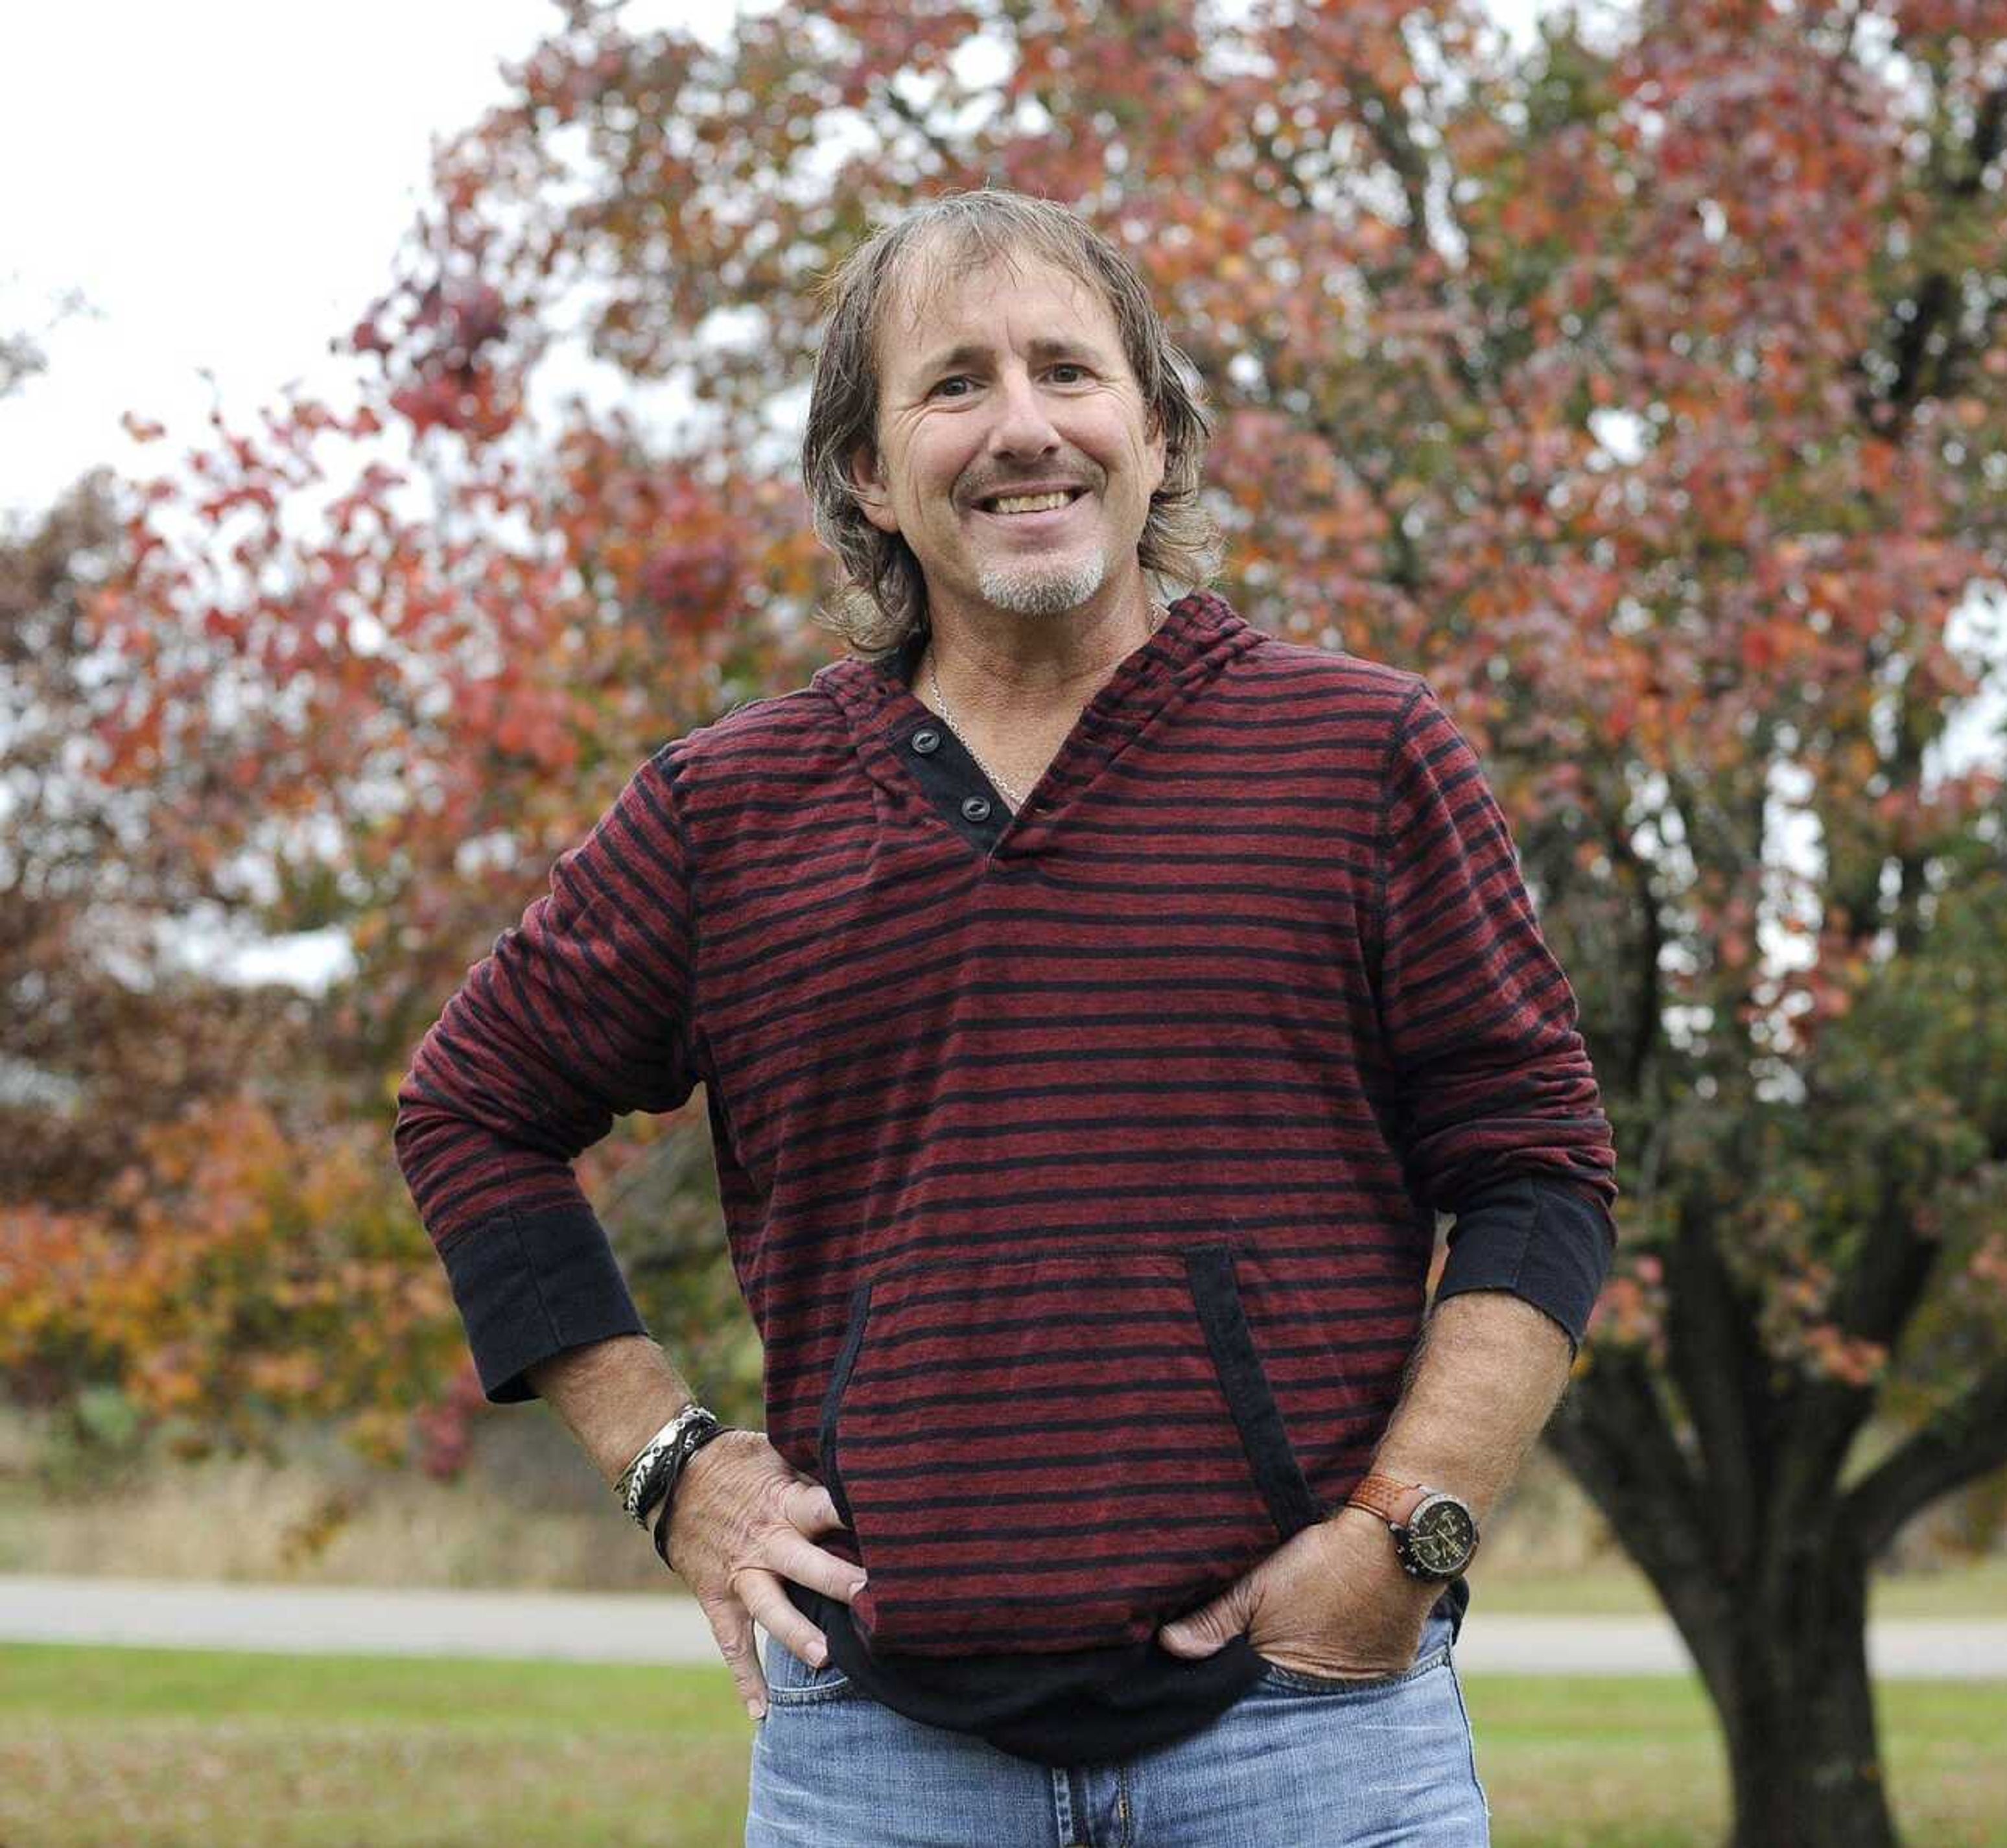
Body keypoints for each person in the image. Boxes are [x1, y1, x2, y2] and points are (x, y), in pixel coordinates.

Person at [392, 187, 1616, 1846]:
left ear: (1162, 434)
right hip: (876, 1757)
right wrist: (669, 1465)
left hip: (1308, 1736)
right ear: (866, 475)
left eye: (1069, 372)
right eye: (955, 384)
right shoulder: (724, 812)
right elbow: (471, 1108)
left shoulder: (1363, 758)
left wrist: (1411, 1530)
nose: (1023, 427)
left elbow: (1539, 1169)